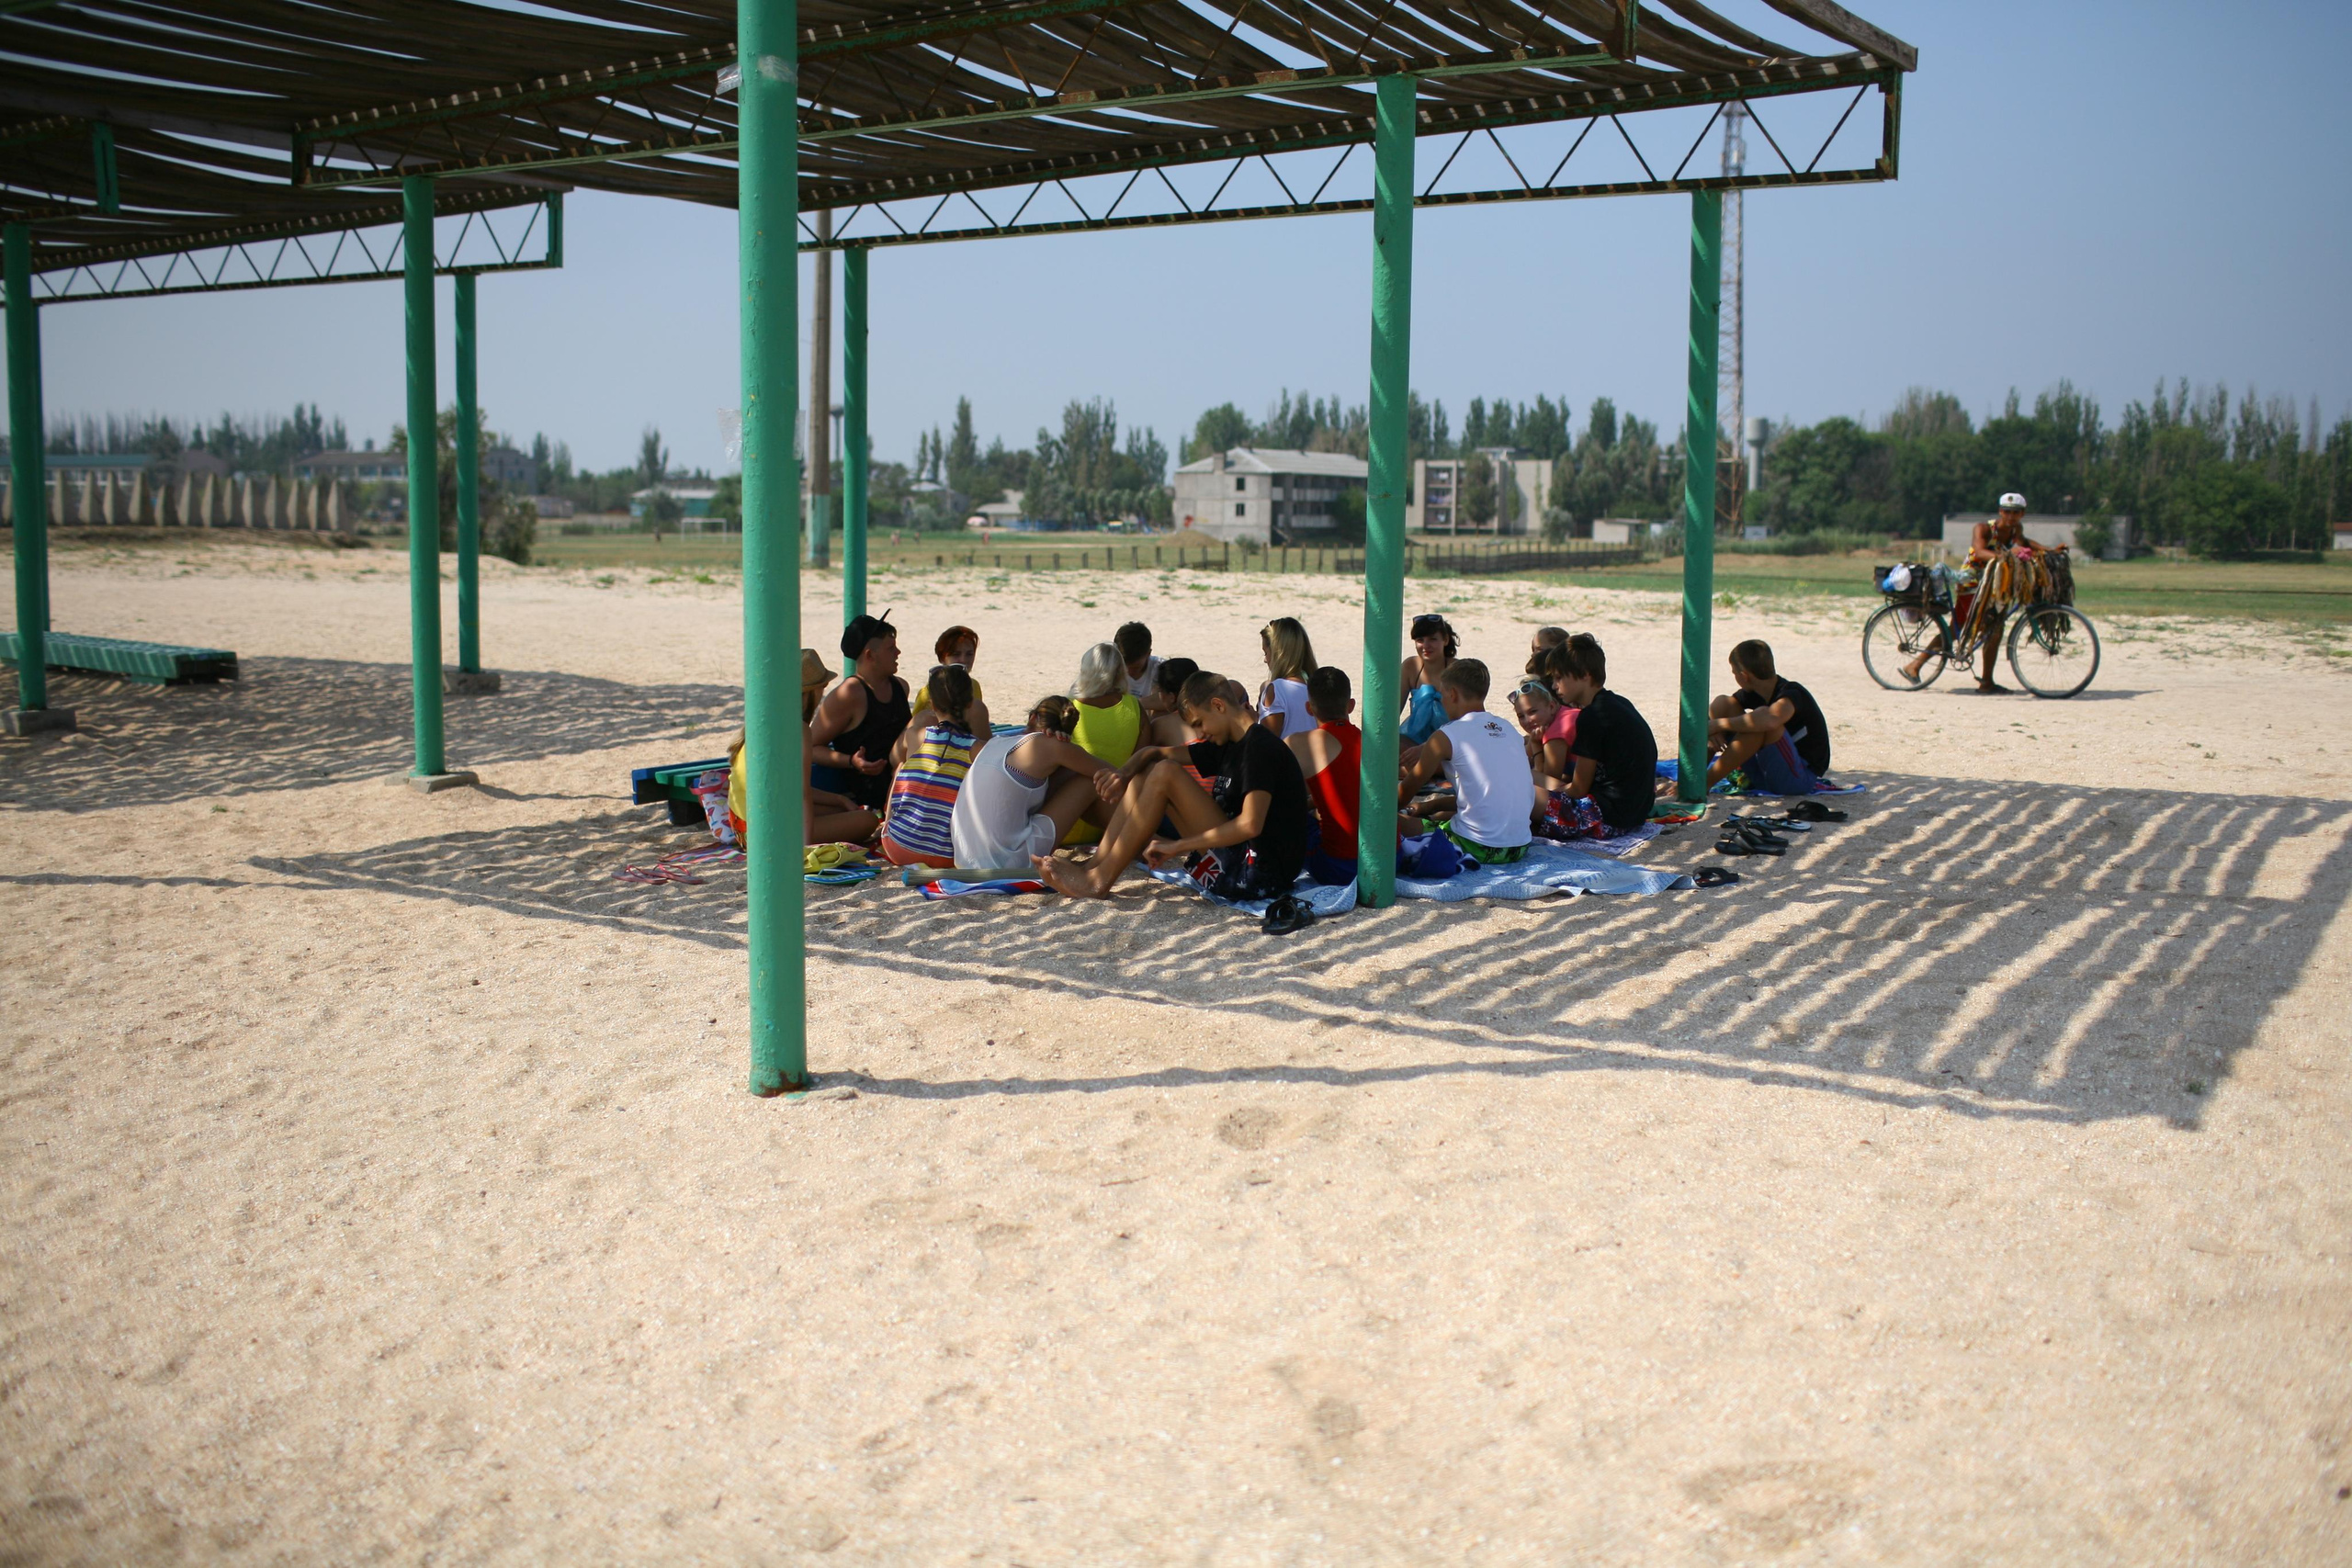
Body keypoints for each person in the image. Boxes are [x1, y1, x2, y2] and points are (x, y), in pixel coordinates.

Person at [1035, 670, 1312, 900]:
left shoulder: (1259, 748)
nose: (1200, 733)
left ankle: (1098, 883)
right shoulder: (1229, 743)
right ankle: (1095, 867)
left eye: (1200, 723)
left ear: (1218, 705)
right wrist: (1123, 774)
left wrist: (1178, 847)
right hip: (1238, 861)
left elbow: (1251, 825)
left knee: (1166, 773)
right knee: (1150, 772)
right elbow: (1153, 752)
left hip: (1258, 875)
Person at [1906, 491, 2067, 693]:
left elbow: (2025, 543)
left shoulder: (2016, 529)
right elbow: (1980, 551)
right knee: (1958, 629)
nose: (2011, 516)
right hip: (1972, 582)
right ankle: (1915, 665)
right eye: (2007, 512)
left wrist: (2050, 550)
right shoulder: (1983, 528)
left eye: (2015, 513)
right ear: (2000, 511)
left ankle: (1987, 682)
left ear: (2022, 514)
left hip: (1994, 582)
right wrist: (2008, 555)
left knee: (1995, 629)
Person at [950, 695, 1122, 871]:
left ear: (1032, 717)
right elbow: (1116, 775)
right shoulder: (1053, 746)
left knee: (1069, 775)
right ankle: (1128, 840)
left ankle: (1127, 837)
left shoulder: (996, 742)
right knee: (1090, 781)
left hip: (964, 860)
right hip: (1006, 862)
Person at [1397, 659, 1533, 863]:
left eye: (1442, 695)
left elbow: (1403, 795)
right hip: (1520, 846)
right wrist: (1429, 807)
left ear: (1452, 694)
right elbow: (1485, 794)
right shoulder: (1508, 728)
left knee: (1389, 821)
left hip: (1477, 846)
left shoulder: (1446, 735)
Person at [1542, 633, 1657, 836]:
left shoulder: (1592, 717)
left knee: (1524, 796)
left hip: (1606, 817)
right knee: (1534, 779)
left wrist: (1552, 794)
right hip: (1635, 813)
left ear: (1585, 674)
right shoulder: (1619, 703)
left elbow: (1578, 790)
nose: (1554, 686)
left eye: (1559, 678)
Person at [877, 665, 983, 867]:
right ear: (970, 703)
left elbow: (893, 758)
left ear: (932, 704)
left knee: (902, 767)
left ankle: (889, 823)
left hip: (899, 848)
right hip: (948, 856)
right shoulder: (978, 749)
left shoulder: (916, 735)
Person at [808, 613, 910, 812]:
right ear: (870, 655)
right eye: (891, 648)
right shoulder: (849, 694)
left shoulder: (901, 687)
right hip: (869, 794)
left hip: (903, 783)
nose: (898, 652)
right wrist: (851, 762)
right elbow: (810, 748)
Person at [1702, 638, 1832, 792]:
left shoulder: (1792, 693)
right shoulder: (1754, 692)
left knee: (1758, 723)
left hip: (1797, 780)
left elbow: (1770, 720)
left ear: (1744, 676)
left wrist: (1717, 725)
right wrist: (1711, 731)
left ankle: (1703, 785)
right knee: (1724, 702)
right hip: (1763, 774)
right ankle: (1693, 777)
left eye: (1734, 672)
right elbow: (1721, 707)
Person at [725, 728, 878, 849]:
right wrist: (808, 848)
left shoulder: (757, 727)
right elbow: (803, 793)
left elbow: (791, 790)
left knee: (842, 812)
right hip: (767, 837)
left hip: (743, 829)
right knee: (868, 820)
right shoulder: (799, 729)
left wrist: (840, 800)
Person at [1287, 665, 1365, 886]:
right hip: (1389, 861)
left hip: (1339, 867)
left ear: (1309, 708)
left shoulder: (1298, 744)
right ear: (1351, 706)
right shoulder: (1371, 741)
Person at [1063, 642, 1146, 846]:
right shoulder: (1135, 707)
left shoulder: (1066, 707)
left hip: (1066, 823)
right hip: (1114, 822)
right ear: (1120, 672)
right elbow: (1141, 765)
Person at [899, 624, 990, 759]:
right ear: (942, 658)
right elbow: (916, 727)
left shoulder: (974, 686)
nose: (964, 660)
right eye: (956, 654)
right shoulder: (928, 693)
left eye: (969, 654)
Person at [1398, 613, 1456, 748]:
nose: (1426, 645)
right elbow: (1393, 711)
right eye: (1420, 640)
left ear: (1446, 640)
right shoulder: (1411, 667)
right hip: (1414, 737)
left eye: (1433, 639)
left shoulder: (1456, 669)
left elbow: (1466, 718)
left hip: (1449, 741)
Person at [1257, 616, 1317, 738]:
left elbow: (1265, 744)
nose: (1265, 660)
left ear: (1278, 653)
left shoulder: (1277, 689)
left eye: (1266, 653)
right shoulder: (1314, 686)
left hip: (1288, 756)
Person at [1145, 656, 1202, 751]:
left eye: (1160, 691)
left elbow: (1140, 754)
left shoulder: (1161, 725)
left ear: (1171, 697)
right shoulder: (1212, 713)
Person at [1115, 621, 1162, 705]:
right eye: (1124, 666)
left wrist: (1132, 705)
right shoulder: (1109, 669)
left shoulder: (1160, 668)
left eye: (1136, 668)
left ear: (1148, 653)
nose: (1129, 672)